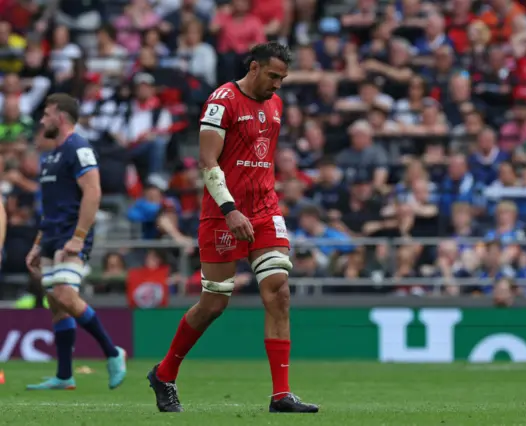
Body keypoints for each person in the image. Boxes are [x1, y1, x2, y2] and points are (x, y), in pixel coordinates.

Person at [147, 42, 319, 414]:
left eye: (283, 78)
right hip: (223, 213)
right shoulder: (221, 101)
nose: (278, 84)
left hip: (265, 209)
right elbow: (207, 161)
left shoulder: (276, 105)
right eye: (273, 76)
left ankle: (281, 395)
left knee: (279, 291)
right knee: (214, 303)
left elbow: (261, 158)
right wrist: (230, 210)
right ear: (254, 68)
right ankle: (164, 373)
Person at [24, 94, 127, 390]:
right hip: (51, 235)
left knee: (66, 295)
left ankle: (112, 352)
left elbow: (93, 192)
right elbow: (52, 206)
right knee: (55, 303)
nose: (42, 120)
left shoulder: (78, 147)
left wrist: (79, 237)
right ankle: (65, 375)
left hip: (71, 235)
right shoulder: (50, 156)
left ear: (60, 116)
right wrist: (37, 243)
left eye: (46, 114)